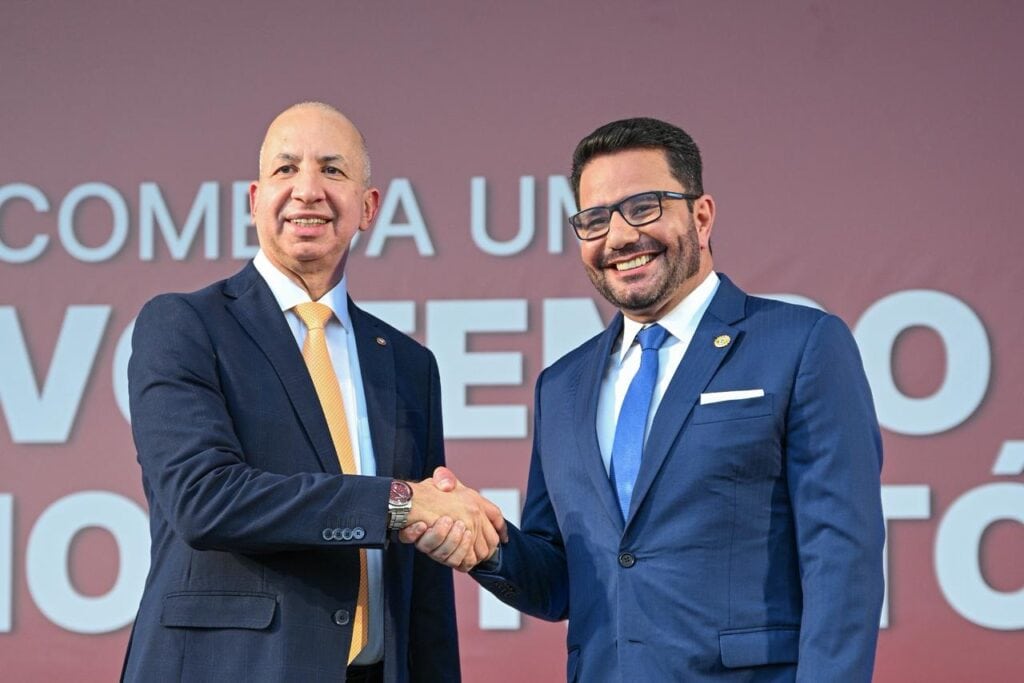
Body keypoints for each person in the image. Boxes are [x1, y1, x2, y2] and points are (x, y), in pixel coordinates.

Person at [405, 117, 885, 681]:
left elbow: (843, 560)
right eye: (594, 219)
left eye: (643, 207)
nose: (619, 236)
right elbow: (561, 581)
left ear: (701, 216)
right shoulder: (562, 386)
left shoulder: (802, 344)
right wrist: (486, 543)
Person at [122, 101, 504, 683]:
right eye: (285, 170)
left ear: (368, 207)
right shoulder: (184, 325)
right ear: (254, 200)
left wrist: (429, 513)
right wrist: (400, 502)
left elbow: (420, 582)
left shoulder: (407, 363)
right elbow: (205, 500)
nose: (307, 190)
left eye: (332, 170)